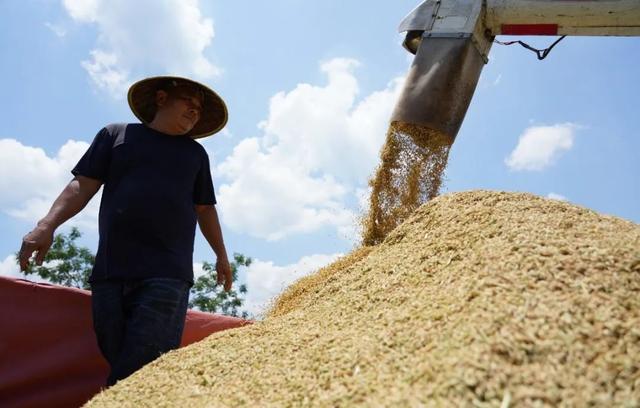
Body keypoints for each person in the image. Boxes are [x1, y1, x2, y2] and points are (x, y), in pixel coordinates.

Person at [18, 76, 233, 387]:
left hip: (167, 275)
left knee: (140, 370)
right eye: (189, 101)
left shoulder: (195, 155)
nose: (194, 111)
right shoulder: (117, 135)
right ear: (161, 99)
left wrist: (221, 256)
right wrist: (46, 225)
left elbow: (205, 209)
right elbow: (83, 185)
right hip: (110, 273)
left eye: (199, 110)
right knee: (121, 363)